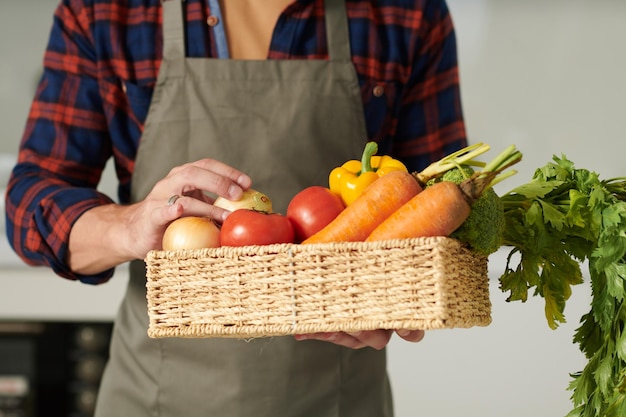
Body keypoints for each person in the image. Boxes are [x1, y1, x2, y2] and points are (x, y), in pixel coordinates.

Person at [5, 0, 467, 416]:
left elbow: (440, 208)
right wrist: (129, 226)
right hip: (156, 398)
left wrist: (392, 304)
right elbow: (29, 204)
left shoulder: (407, 13)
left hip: (338, 397)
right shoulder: (104, 12)